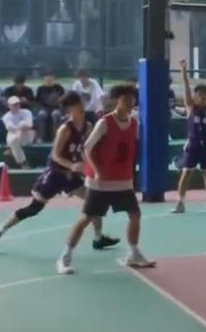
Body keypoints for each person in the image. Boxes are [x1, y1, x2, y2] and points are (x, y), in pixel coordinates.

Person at [0, 93, 118, 253]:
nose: (82, 106)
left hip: (71, 175)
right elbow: (55, 155)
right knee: (34, 208)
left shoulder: (87, 126)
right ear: (69, 109)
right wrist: (72, 165)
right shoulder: (65, 129)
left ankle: (98, 238)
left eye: (82, 103)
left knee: (92, 200)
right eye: (78, 104)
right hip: (55, 174)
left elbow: (86, 148)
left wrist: (91, 164)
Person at [58, 83, 153, 274]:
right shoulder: (105, 122)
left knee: (135, 215)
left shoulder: (134, 123)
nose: (130, 102)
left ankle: (134, 253)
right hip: (100, 182)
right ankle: (65, 257)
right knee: (87, 218)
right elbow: (87, 148)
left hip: (123, 181)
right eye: (125, 99)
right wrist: (97, 170)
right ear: (116, 100)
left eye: (132, 99)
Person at [173, 59, 206, 214]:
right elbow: (186, 88)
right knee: (186, 172)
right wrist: (183, 70)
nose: (202, 96)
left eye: (204, 94)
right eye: (199, 94)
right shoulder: (190, 107)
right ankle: (180, 202)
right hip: (193, 146)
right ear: (196, 96)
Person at [2, 96, 36, 169]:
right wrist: (19, 130)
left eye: (17, 104)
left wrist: (20, 129)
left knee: (22, 124)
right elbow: (10, 128)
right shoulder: (6, 116)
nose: (16, 106)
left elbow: (29, 125)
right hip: (12, 135)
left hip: (27, 135)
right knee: (14, 140)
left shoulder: (27, 112)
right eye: (14, 104)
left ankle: (12, 150)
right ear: (9, 106)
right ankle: (23, 162)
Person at [34, 72, 65, 142]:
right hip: (44, 108)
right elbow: (37, 101)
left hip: (56, 108)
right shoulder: (40, 88)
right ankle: (40, 137)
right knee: (41, 115)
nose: (49, 79)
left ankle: (56, 136)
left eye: (50, 77)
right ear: (44, 79)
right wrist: (39, 108)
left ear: (54, 78)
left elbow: (64, 100)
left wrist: (58, 100)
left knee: (56, 114)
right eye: (47, 77)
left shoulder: (59, 88)